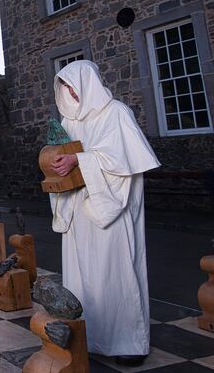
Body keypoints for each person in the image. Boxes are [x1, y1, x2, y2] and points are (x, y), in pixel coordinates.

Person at [49, 60, 159, 365]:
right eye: (64, 88)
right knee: (83, 278)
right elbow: (62, 156)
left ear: (88, 84)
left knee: (116, 274)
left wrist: (79, 161)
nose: (69, 93)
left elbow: (121, 162)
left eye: (72, 86)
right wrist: (57, 164)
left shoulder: (116, 114)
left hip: (111, 211)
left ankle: (126, 343)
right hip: (79, 212)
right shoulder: (68, 122)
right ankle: (89, 338)